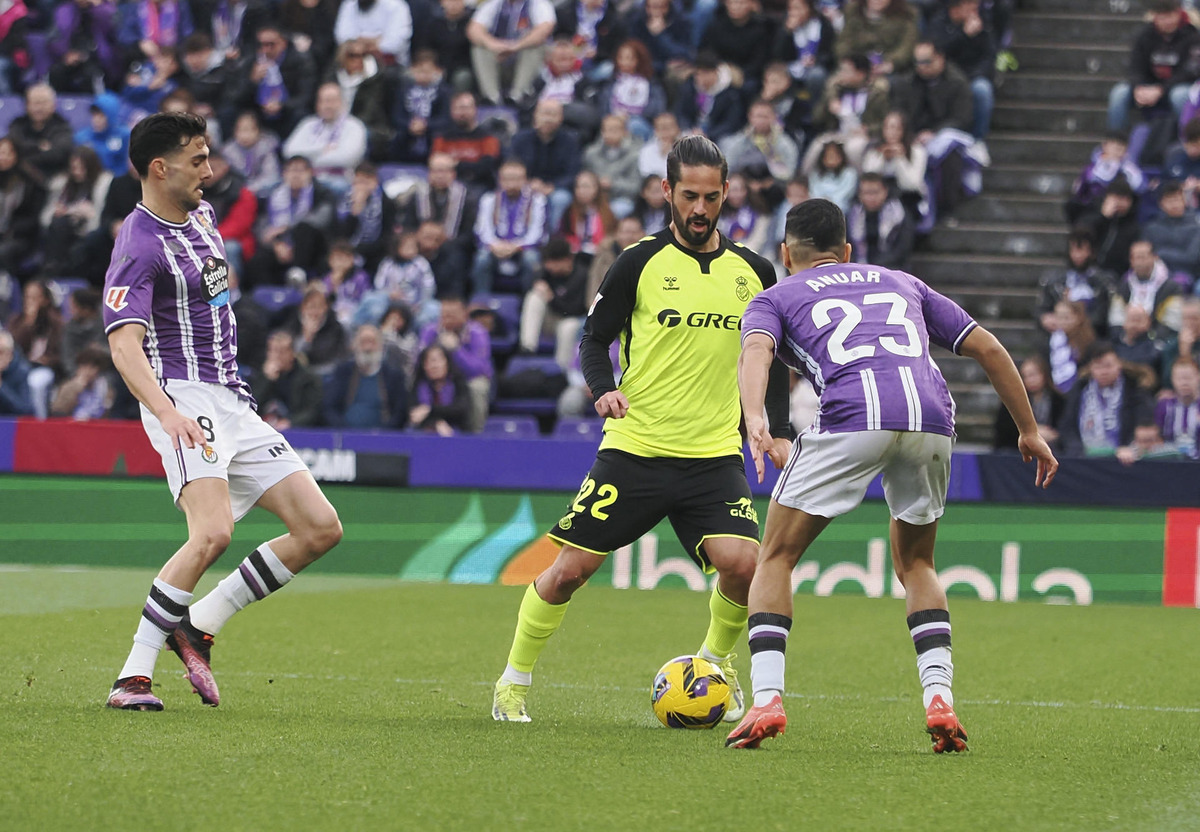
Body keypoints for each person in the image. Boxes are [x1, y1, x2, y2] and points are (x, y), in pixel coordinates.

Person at [726, 197, 1058, 751]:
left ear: (787, 253)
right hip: (931, 417)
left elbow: (756, 352)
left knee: (777, 557)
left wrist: (756, 418)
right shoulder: (902, 280)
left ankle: (766, 699)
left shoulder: (775, 295)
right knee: (918, 561)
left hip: (853, 415)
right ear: (848, 251)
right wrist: (1028, 430)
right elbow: (990, 347)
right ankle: (940, 697)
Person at [490, 136, 794, 724]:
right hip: (637, 448)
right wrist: (603, 387)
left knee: (743, 564)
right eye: (689, 196)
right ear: (667, 192)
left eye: (711, 196)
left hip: (712, 454)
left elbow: (769, 354)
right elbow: (592, 337)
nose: (700, 209)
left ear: (726, 193)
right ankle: (513, 681)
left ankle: (712, 664)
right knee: (569, 572)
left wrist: (774, 426)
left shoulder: (754, 271)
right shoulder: (638, 261)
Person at [102, 112, 343, 711]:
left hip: (233, 398)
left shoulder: (204, 216)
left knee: (319, 528)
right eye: (198, 160)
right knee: (211, 533)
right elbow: (123, 344)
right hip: (183, 396)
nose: (211, 171)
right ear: (160, 169)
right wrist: (165, 410)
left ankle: (199, 624)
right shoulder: (138, 244)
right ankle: (132, 675)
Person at [1106, 0, 1200, 133]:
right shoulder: (1144, 35)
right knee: (1119, 94)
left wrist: (1161, 90)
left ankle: (1187, 141)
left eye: (1170, 16)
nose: (1167, 21)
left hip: (1177, 87)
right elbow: (1135, 67)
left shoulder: (1192, 35)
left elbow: (1190, 72)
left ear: (1179, 13)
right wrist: (1138, 87)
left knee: (1180, 96)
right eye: (1162, 17)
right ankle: (1115, 143)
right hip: (1148, 87)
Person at [1058, 340, 1154, 461]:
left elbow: (1143, 424)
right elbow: (1067, 426)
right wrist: (1076, 450)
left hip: (1124, 458)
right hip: (1084, 457)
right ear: (1091, 368)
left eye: (1108, 366)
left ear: (1119, 364)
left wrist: (1129, 447)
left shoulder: (1135, 390)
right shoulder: (1080, 389)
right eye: (1098, 366)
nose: (1103, 371)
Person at [418, 296, 492, 431]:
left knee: (477, 386)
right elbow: (420, 362)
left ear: (464, 315)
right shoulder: (430, 331)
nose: (446, 320)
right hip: (438, 380)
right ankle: (424, 428)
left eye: (451, 316)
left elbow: (478, 369)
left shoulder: (477, 332)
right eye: (444, 315)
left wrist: (457, 349)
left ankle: (474, 435)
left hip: (465, 381)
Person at [467, 0, 557, 106]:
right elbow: (473, 29)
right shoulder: (494, 4)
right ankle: (491, 97)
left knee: (536, 46)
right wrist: (493, 44)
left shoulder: (538, 4)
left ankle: (518, 95)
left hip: (526, 65)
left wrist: (516, 46)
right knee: (480, 47)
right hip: (500, 60)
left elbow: (544, 30)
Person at [323, 322, 408, 428]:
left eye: (372, 342)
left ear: (381, 346)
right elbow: (330, 408)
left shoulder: (393, 376)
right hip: (345, 437)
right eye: (363, 342)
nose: (367, 348)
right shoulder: (343, 372)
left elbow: (400, 413)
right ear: (355, 346)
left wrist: (382, 434)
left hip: (382, 439)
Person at [1036, 227, 1115, 338]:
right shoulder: (1054, 282)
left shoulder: (1104, 283)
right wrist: (1044, 318)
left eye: (1082, 249)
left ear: (1092, 251)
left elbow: (1103, 314)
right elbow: (1042, 309)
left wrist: (1077, 323)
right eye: (1074, 250)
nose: (1077, 255)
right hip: (1057, 334)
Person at [253, 329, 324, 429]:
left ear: (292, 353)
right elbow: (251, 407)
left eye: (281, 351)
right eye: (272, 351)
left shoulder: (308, 379)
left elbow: (311, 412)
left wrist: (291, 422)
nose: (276, 356)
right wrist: (267, 380)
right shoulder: (259, 375)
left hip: (296, 432)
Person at [993, 355, 1064, 453]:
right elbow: (1004, 430)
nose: (1030, 380)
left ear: (1044, 374)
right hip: (1017, 449)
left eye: (1033, 375)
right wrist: (1033, 432)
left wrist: (1051, 435)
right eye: (1025, 376)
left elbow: (1065, 427)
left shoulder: (1058, 400)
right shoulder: (1012, 400)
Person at [846, 172, 914, 269]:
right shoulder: (851, 216)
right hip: (858, 269)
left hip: (892, 268)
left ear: (885, 191)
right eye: (866, 193)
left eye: (875, 192)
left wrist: (877, 267)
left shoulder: (900, 214)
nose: (871, 198)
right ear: (859, 195)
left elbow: (902, 248)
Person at [1142, 182, 1200, 284]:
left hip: (1185, 273)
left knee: (1177, 282)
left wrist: (1161, 253)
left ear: (1185, 201)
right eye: (1169, 201)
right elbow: (1145, 253)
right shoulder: (1151, 227)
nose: (1174, 204)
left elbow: (1191, 258)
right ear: (1161, 204)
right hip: (1153, 272)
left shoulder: (1195, 227)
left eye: (1177, 199)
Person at [409, 342, 471, 434]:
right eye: (429, 361)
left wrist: (430, 410)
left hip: (455, 429)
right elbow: (415, 414)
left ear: (447, 362)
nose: (435, 366)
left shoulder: (458, 382)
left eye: (438, 360)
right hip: (425, 430)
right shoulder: (418, 385)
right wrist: (436, 423)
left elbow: (461, 410)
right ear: (424, 366)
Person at [1155, 358, 1200, 457]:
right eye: (1179, 378)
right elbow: (1157, 437)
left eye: (1188, 378)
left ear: (1198, 377)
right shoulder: (1164, 406)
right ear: (1172, 380)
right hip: (1171, 460)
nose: (1184, 383)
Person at [0, 328, 33, 415]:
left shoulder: (20, 373)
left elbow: (26, 411)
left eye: (1, 352)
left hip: (9, 426)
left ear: (10, 354)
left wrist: (2, 387)